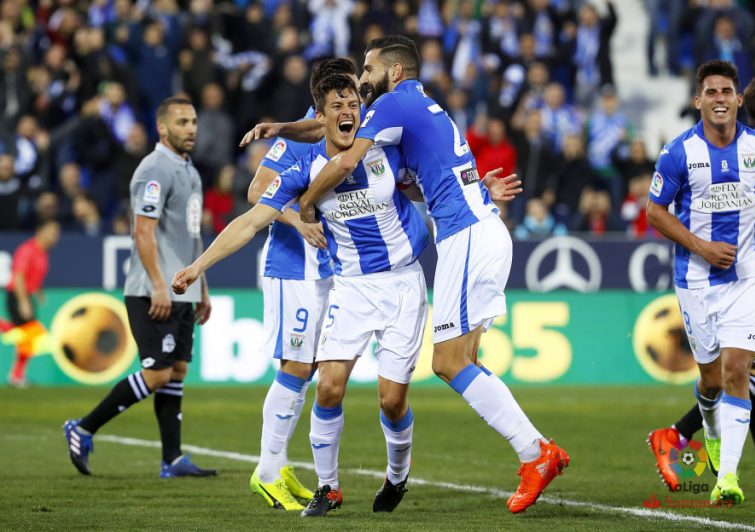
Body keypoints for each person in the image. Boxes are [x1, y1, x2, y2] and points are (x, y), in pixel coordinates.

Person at [293, 35, 568, 514]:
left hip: (466, 236)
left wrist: (307, 202)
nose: (363, 78)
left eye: (369, 68)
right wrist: (479, 185)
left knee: (447, 363)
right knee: (465, 359)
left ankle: (535, 452)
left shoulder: (392, 104)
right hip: (480, 228)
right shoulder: (423, 106)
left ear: (395, 71)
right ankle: (535, 451)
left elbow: (347, 159)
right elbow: (428, 174)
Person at [173, 73, 431, 517]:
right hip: (351, 288)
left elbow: (435, 178)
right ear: (320, 117)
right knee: (327, 387)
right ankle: (328, 487)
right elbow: (250, 221)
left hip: (403, 284)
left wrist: (477, 190)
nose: (348, 113)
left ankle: (396, 475)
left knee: (392, 400)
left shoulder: (385, 149)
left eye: (353, 105)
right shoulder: (303, 170)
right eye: (337, 107)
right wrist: (198, 267)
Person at [63, 97, 217, 479]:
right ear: (162, 128)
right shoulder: (153, 169)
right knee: (158, 374)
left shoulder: (190, 170)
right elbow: (143, 232)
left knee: (177, 370)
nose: (191, 129)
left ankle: (172, 460)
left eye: (193, 121)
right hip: (153, 290)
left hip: (183, 288)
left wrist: (201, 285)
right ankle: (83, 428)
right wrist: (159, 285)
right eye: (182, 122)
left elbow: (192, 235)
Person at [646, 60, 755, 506]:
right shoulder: (678, 152)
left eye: (726, 91)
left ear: (739, 99)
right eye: (711, 92)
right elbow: (655, 211)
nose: (719, 98)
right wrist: (701, 246)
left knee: (739, 370)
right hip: (696, 282)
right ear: (698, 101)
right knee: (712, 380)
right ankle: (708, 430)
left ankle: (728, 478)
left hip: (750, 277)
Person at [244, 58, 355, 512]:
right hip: (293, 264)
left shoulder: (350, 131)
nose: (353, 98)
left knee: (305, 368)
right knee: (295, 365)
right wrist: (298, 220)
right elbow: (257, 192)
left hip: (324, 268)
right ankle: (268, 471)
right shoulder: (300, 134)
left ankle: (279, 463)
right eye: (345, 89)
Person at [3, 219, 60, 387]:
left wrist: (38, 292)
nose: (55, 236)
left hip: (27, 295)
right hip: (18, 295)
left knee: (26, 337)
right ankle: (16, 376)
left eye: (57, 233)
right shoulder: (28, 249)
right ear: (40, 231)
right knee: (31, 333)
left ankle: (17, 376)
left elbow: (34, 275)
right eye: (52, 232)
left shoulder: (42, 252)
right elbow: (19, 275)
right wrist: (23, 301)